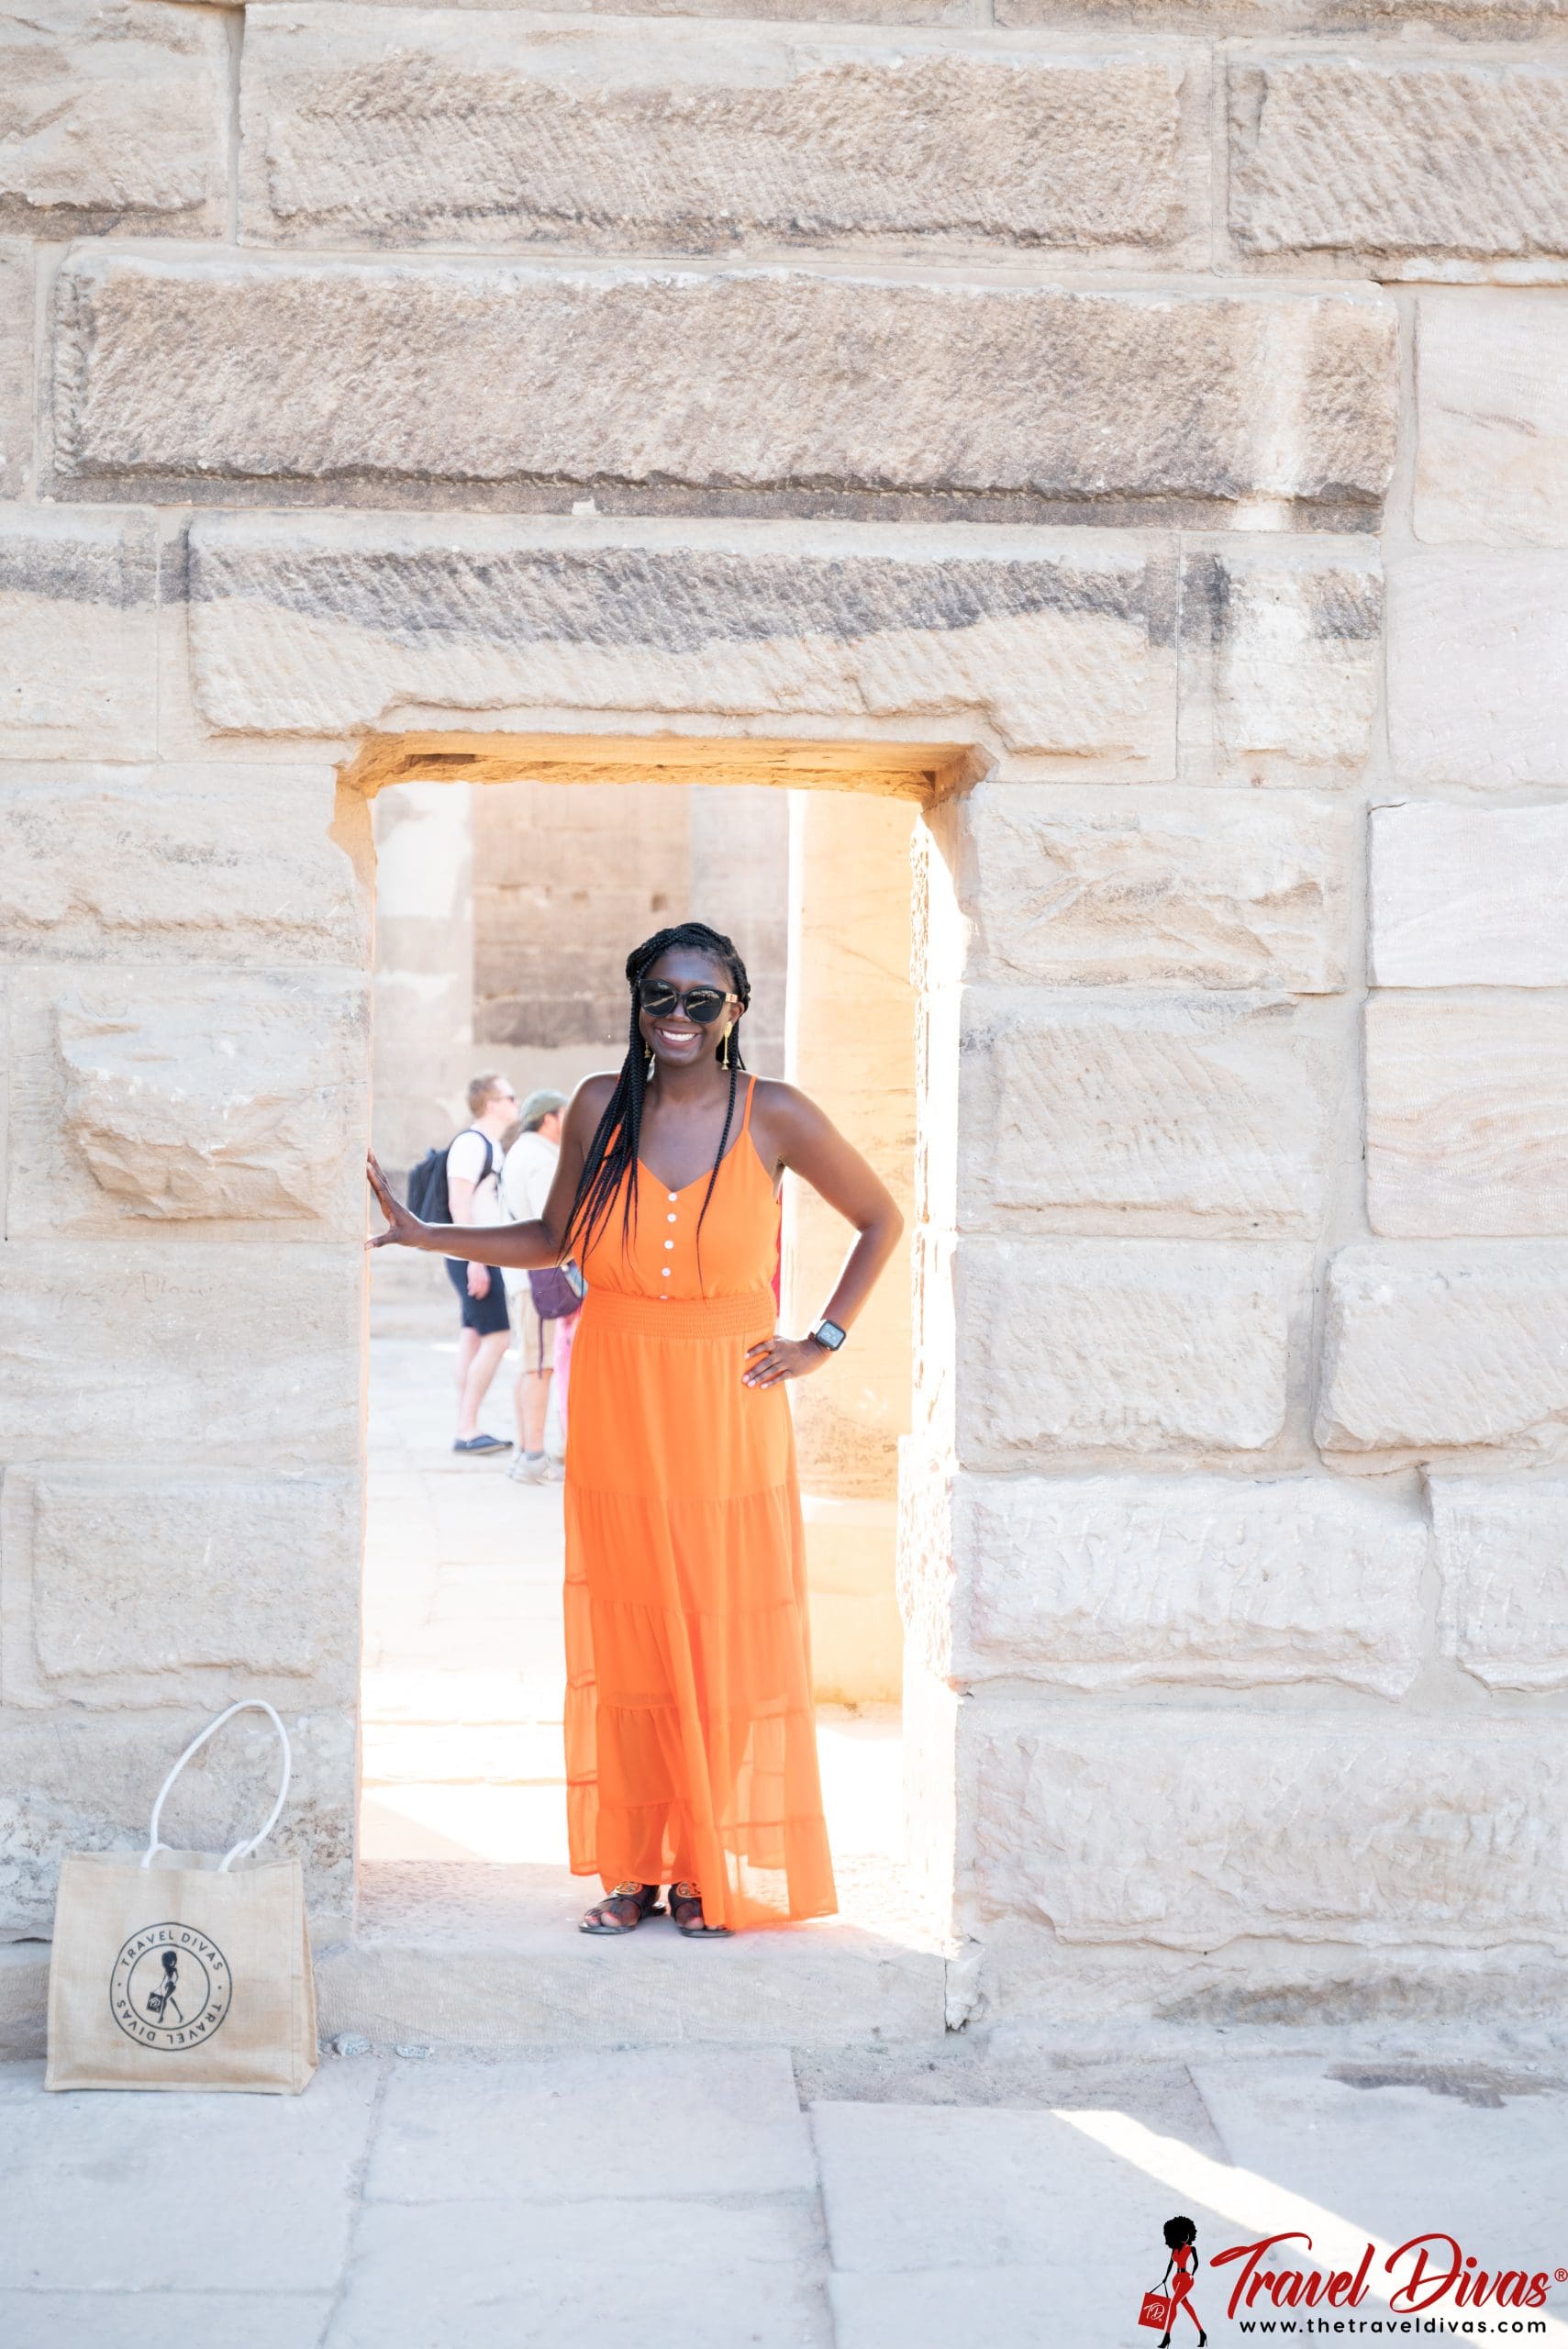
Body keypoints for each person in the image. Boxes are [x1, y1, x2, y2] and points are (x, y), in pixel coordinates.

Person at [367, 920, 902, 1938]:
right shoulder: (599, 1106)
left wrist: (822, 1339)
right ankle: (632, 1861)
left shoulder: (774, 1114)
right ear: (638, 1002)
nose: (678, 1017)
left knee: (719, 1623)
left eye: (701, 999)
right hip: (617, 1390)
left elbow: (880, 1216)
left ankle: (707, 1859)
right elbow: (553, 1237)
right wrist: (424, 1231)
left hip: (727, 1401)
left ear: (734, 1008)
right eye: (661, 995)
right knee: (631, 1625)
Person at [446, 1072, 518, 1456]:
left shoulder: (488, 1144)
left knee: (474, 1335)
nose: (516, 1104)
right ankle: (467, 1429)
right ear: (492, 1104)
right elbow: (459, 1202)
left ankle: (466, 1423)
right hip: (476, 1255)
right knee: (498, 1337)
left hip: (478, 1254)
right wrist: (474, 1260)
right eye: (511, 1097)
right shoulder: (472, 1145)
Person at [500, 1088, 568, 1485]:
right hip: (539, 1281)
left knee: (531, 1363)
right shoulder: (539, 1159)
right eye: (564, 1114)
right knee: (539, 1366)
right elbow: (554, 1225)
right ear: (549, 1119)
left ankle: (526, 1451)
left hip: (526, 1279)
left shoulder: (523, 1153)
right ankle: (532, 1456)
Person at [1157, 2216, 1207, 2346]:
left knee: (1173, 2304)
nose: (1185, 2236)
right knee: (1186, 2305)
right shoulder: (1174, 2249)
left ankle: (1167, 2336)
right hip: (1176, 2279)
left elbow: (1197, 2263)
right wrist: (1165, 2278)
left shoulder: (1191, 2249)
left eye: (1187, 2234)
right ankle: (1202, 2333)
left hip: (1186, 2279)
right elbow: (1170, 2265)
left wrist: (1193, 2275)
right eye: (1182, 2234)